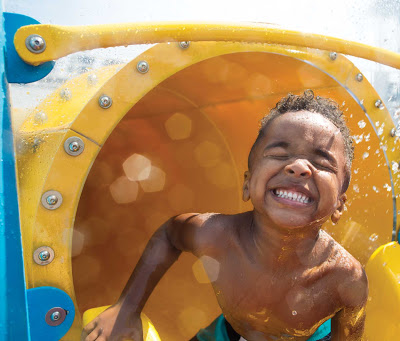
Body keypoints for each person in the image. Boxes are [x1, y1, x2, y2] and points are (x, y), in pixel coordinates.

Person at [82, 90, 368, 341]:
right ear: (247, 184)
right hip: (230, 333)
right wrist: (127, 308)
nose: (298, 167)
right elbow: (170, 234)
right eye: (280, 154)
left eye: (321, 162)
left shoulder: (345, 278)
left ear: (340, 205)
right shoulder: (214, 235)